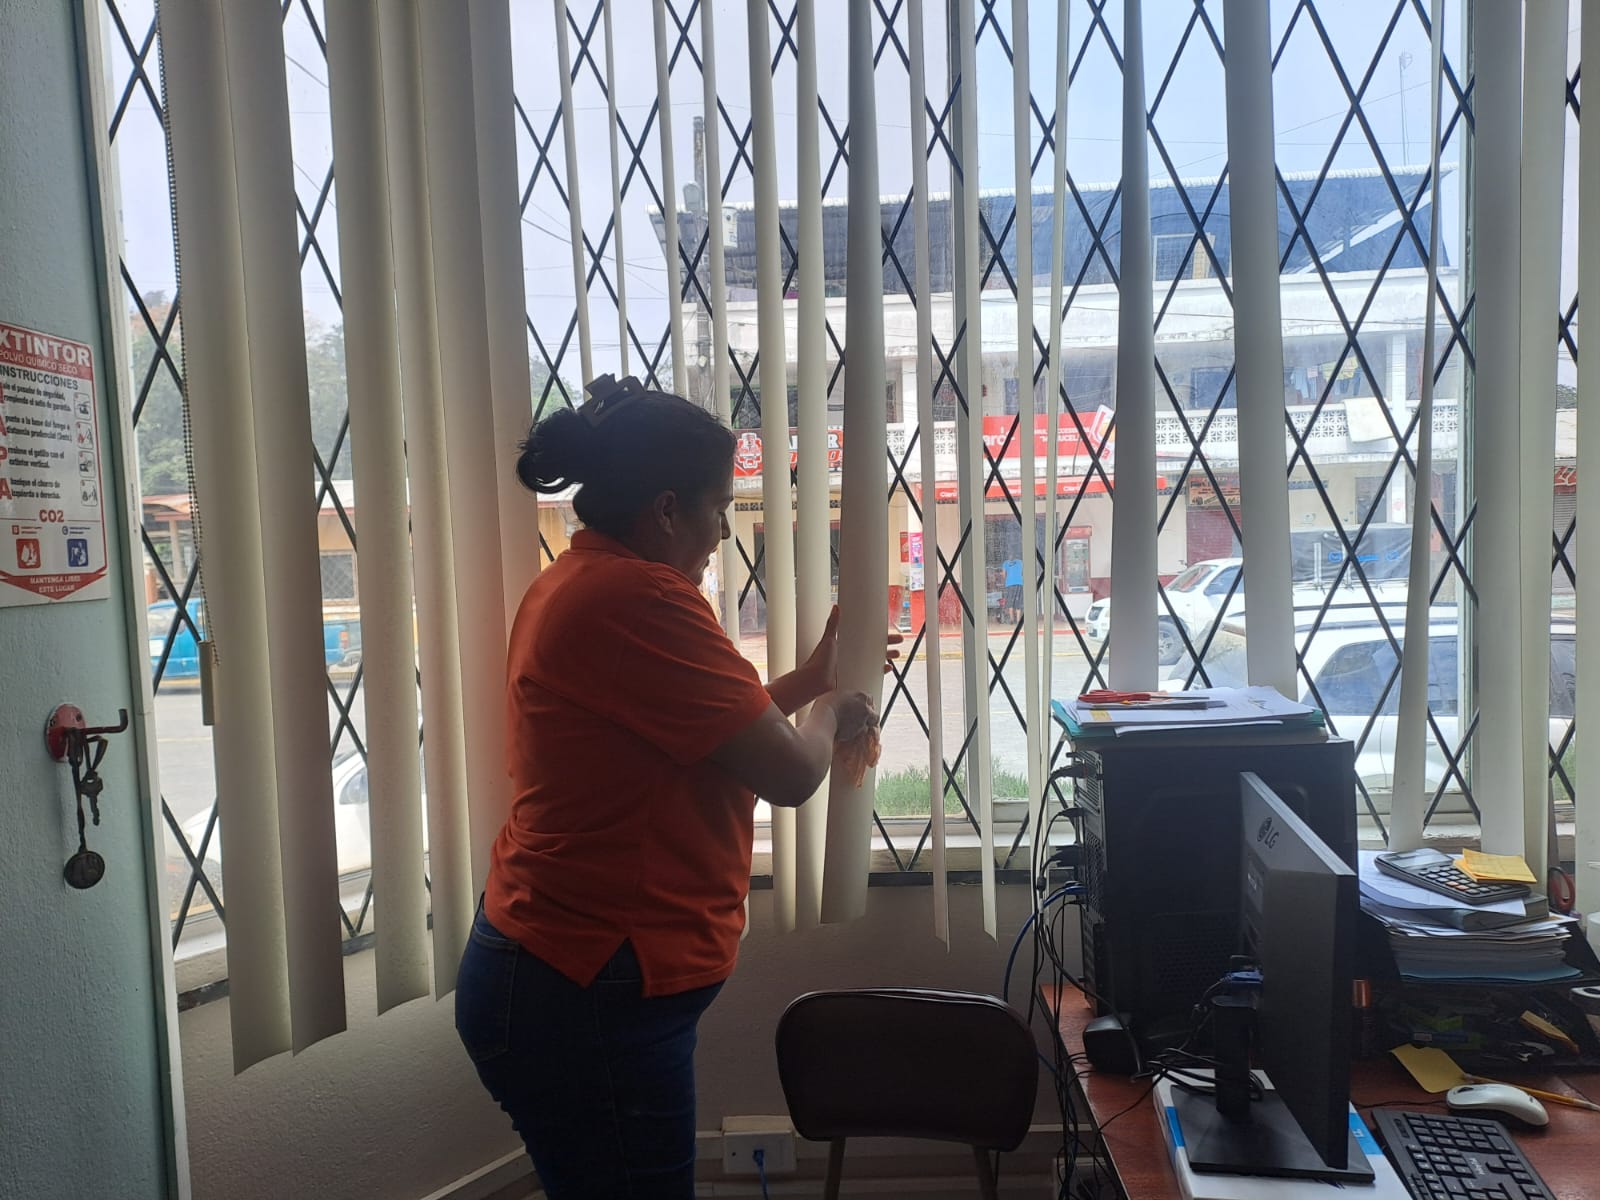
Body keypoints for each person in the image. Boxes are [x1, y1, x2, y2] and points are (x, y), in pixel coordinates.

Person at [456, 375, 891, 1198]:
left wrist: (808, 682)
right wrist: (833, 712)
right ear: (665, 510)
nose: (724, 531)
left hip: (562, 972)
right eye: (718, 508)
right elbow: (791, 773)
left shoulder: (585, 579)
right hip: (586, 985)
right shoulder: (640, 598)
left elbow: (702, 732)